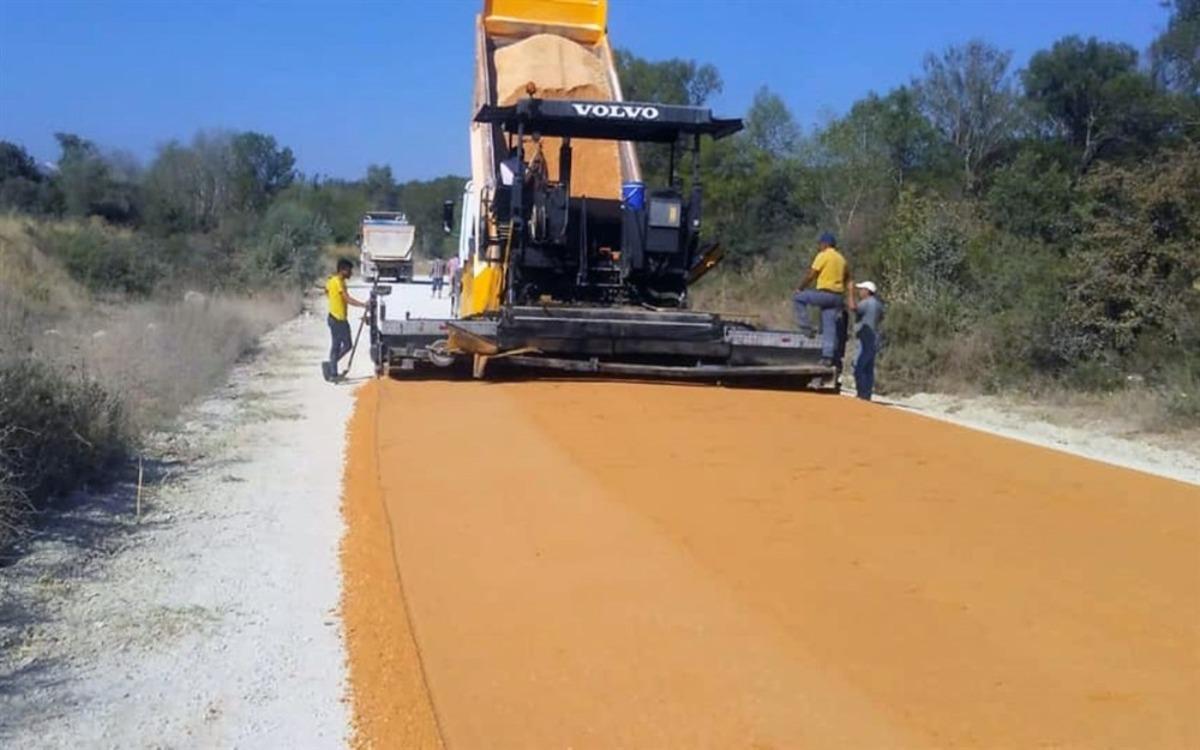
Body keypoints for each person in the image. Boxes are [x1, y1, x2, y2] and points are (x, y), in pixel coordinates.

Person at [793, 232, 851, 365]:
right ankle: (827, 357)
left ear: (825, 244)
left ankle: (806, 327)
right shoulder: (842, 259)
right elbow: (848, 279)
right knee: (829, 326)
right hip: (838, 297)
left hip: (825, 294)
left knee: (798, 298)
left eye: (820, 244)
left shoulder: (823, 255)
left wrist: (800, 288)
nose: (819, 246)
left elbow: (811, 274)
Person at [323, 258, 365, 382]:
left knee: (347, 345)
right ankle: (333, 374)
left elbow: (326, 291)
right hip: (336, 319)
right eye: (349, 271)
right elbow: (347, 299)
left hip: (341, 318)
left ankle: (331, 364)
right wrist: (363, 305)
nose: (351, 273)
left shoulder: (337, 281)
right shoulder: (336, 282)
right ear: (343, 270)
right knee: (336, 346)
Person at [850, 280, 884, 401]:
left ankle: (861, 394)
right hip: (875, 339)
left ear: (867, 291)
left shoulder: (866, 303)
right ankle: (867, 394)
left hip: (865, 338)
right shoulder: (879, 304)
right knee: (869, 368)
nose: (859, 292)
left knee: (858, 365)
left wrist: (850, 292)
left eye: (861, 289)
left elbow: (853, 307)